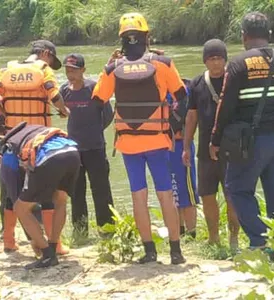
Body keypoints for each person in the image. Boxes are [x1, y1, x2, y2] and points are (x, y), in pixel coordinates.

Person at [92, 12, 187, 264]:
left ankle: (149, 252)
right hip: (158, 140)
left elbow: (97, 101)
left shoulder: (113, 68)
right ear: (147, 36)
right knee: (166, 194)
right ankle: (176, 252)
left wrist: (108, 63)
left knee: (139, 196)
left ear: (122, 39)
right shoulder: (163, 63)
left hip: (128, 143)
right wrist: (172, 124)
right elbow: (183, 98)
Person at [210, 12, 274, 249]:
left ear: (244, 36)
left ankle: (260, 240)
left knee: (237, 187)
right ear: (269, 35)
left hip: (252, 140)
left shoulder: (238, 64)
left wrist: (215, 139)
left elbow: (225, 106)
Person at [0, 39, 70, 254]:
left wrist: (5, 115)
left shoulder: (6, 69)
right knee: (47, 191)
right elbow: (55, 96)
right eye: (51, 59)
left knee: (11, 191)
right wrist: (64, 111)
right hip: (39, 142)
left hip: (13, 138)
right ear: (45, 53)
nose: (51, 64)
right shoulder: (43, 71)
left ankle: (9, 241)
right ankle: (55, 244)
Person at [0, 123, 80, 269]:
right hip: (72, 151)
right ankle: (53, 248)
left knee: (20, 208)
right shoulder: (30, 130)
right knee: (60, 201)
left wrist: (34, 239)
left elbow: (17, 202)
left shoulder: (7, 153)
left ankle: (47, 255)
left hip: (49, 157)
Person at [183, 39, 240, 249]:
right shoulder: (197, 84)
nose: (216, 63)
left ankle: (234, 238)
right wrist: (186, 146)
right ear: (205, 61)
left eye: (219, 58)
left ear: (225, 59)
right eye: (211, 59)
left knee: (231, 195)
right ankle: (213, 237)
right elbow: (191, 117)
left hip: (231, 149)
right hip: (205, 152)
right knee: (207, 195)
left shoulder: (234, 80)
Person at [59, 53, 115, 238]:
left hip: (95, 147)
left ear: (83, 70)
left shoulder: (94, 88)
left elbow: (108, 115)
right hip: (73, 149)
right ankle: (80, 231)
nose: (70, 74)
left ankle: (107, 230)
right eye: (67, 70)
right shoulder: (64, 91)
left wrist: (95, 130)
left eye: (74, 70)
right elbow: (61, 112)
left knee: (101, 190)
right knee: (76, 192)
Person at [166, 81, 199, 240]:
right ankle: (179, 232)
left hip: (181, 145)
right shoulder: (154, 89)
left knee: (187, 191)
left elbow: (191, 117)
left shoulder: (183, 89)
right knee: (171, 191)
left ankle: (192, 233)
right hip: (163, 147)